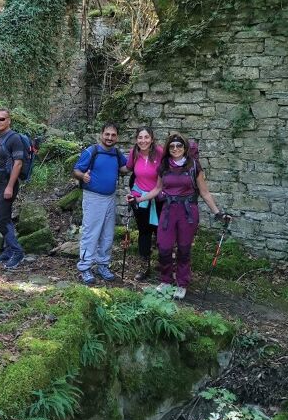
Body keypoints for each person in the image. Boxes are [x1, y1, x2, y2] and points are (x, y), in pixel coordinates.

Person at [128, 133, 229, 300]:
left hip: (188, 212)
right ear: (168, 148)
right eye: (172, 146)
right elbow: (157, 189)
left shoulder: (194, 166)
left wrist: (218, 213)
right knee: (164, 247)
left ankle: (182, 283)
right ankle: (166, 280)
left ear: (185, 148)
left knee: (184, 249)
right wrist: (138, 199)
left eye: (179, 146)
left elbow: (204, 192)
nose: (176, 149)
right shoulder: (164, 166)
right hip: (168, 211)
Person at [72, 123, 129, 285]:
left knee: (107, 233)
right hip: (93, 197)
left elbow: (125, 168)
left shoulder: (116, 154)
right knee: (91, 233)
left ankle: (103, 265)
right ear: (101, 134)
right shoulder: (92, 151)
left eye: (113, 135)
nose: (110, 138)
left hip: (110, 198)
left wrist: (139, 159)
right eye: (107, 134)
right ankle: (85, 268)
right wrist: (83, 177)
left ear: (117, 137)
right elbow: (76, 170)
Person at [126, 127, 165, 281]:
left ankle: (165, 266)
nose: (143, 141)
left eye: (146, 137)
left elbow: (170, 170)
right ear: (136, 139)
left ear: (152, 138)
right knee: (144, 232)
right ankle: (144, 267)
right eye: (140, 137)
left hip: (159, 199)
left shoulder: (160, 153)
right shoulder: (134, 153)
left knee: (161, 232)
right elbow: (127, 168)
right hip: (139, 199)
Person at [0, 108, 25, 270]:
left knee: (1, 220)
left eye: (2, 119)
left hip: (7, 183)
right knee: (6, 218)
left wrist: (10, 186)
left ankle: (17, 252)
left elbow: (18, 163)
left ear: (9, 120)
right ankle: (8, 250)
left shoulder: (14, 138)